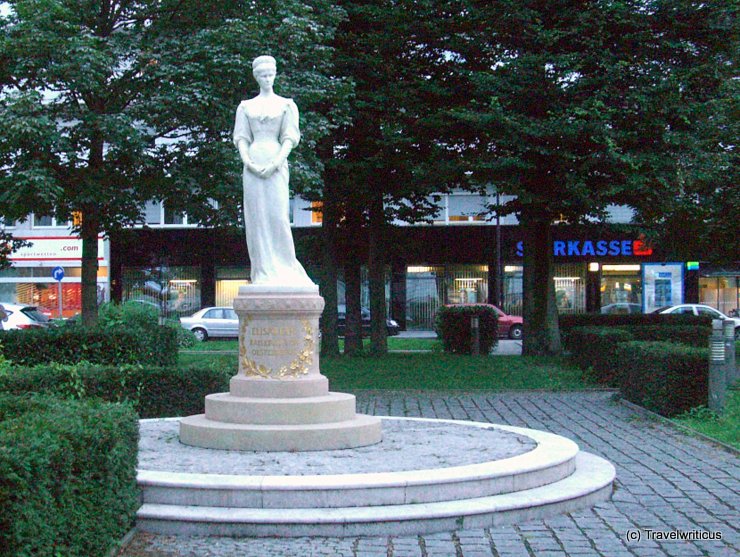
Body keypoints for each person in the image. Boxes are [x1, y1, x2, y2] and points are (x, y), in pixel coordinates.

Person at [233, 55, 314, 287]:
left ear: (275, 75)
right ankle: (262, 271)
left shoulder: (286, 105)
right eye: (263, 75)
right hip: (253, 164)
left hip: (276, 163)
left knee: (277, 216)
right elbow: (241, 138)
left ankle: (285, 268)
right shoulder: (246, 107)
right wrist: (248, 162)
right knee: (257, 218)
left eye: (270, 74)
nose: (267, 79)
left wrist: (277, 162)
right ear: (256, 77)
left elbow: (290, 137)